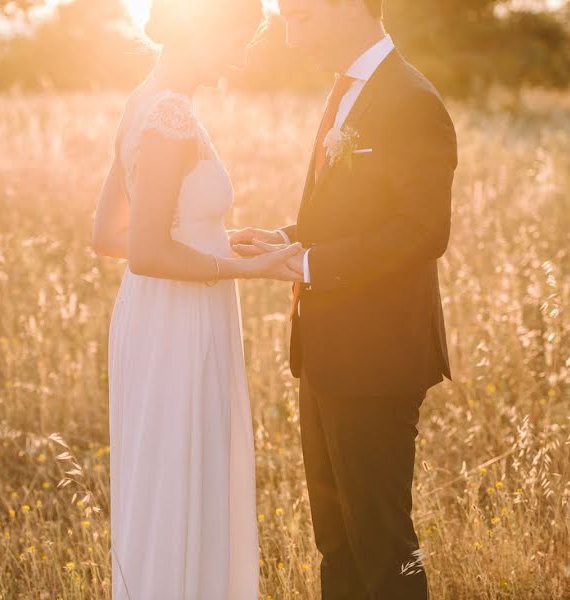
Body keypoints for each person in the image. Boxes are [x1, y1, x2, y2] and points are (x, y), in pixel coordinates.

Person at [231, 0, 458, 597]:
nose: (291, 36)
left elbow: (422, 230)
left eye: (301, 18)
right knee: (335, 542)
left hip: (377, 358)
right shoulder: (346, 90)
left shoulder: (411, 100)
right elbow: (345, 211)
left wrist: (306, 263)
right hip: (327, 354)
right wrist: (282, 239)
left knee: (384, 546)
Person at [90, 1, 304, 598]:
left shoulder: (145, 101)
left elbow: (109, 234)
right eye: (240, 38)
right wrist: (241, 267)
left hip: (160, 314)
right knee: (181, 474)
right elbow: (143, 251)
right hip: (178, 321)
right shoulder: (169, 116)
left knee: (173, 473)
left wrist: (214, 238)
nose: (243, 54)